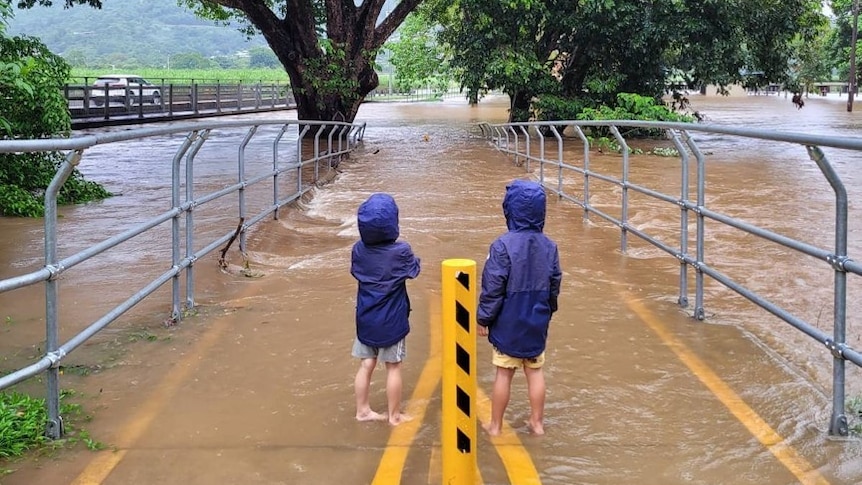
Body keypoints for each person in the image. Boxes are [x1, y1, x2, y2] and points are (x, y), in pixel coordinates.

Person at [477, 179, 562, 436]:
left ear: (509, 210)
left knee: (504, 373)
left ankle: (495, 426)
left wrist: (483, 319)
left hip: (508, 323)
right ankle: (537, 423)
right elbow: (555, 282)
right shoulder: (550, 246)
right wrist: (548, 310)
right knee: (535, 371)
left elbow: (493, 287)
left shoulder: (502, 245)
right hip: (536, 320)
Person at [350, 193, 421, 426]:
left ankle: (362, 410)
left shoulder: (359, 250)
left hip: (366, 317)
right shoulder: (401, 252)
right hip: (392, 320)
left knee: (366, 364)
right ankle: (394, 416)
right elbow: (414, 270)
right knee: (393, 367)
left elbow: (357, 272)